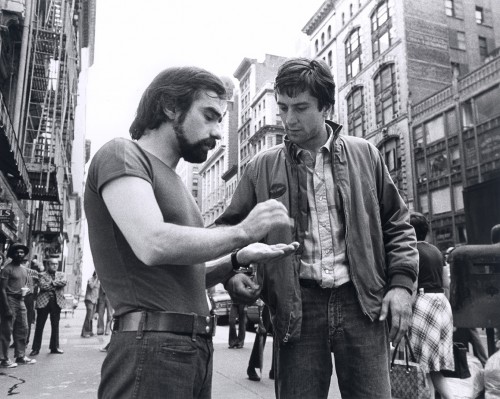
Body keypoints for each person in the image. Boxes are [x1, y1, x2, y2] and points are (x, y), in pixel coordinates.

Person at [84, 66, 298, 399]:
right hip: (150, 347)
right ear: (171, 106)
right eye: (209, 116)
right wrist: (245, 231)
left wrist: (235, 261)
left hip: (191, 348)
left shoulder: (179, 187)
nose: (216, 132)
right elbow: (152, 243)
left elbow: (183, 275)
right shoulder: (122, 154)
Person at [215, 57, 418, 398]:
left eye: (300, 107)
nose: (288, 119)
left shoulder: (366, 154)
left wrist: (401, 286)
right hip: (298, 308)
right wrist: (232, 273)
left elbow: (397, 224)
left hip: (362, 302)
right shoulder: (261, 167)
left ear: (325, 106)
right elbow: (227, 231)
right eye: (282, 108)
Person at [408, 212, 454, 399]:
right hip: (442, 304)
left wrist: (405, 312)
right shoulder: (436, 251)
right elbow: (446, 283)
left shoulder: (411, 251)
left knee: (424, 365)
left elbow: (412, 284)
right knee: (433, 366)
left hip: (422, 303)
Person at [0, 243, 36, 367]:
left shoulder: (23, 269)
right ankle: (3, 359)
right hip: (9, 299)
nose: (20, 254)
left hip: (21, 300)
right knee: (6, 330)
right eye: (17, 252)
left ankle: (20, 356)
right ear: (12, 254)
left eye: (22, 252)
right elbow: (2, 289)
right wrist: (6, 307)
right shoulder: (7, 269)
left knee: (23, 328)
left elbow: (24, 284)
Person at [30, 258, 66, 356]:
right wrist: (55, 284)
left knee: (55, 326)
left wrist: (50, 283)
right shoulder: (41, 274)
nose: (55, 266)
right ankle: (35, 349)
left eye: (56, 264)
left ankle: (54, 347)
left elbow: (63, 282)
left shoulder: (61, 274)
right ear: (47, 265)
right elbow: (42, 286)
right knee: (39, 326)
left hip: (56, 302)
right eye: (52, 264)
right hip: (43, 303)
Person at [247, 302, 275, 382]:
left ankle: (275, 369)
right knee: (262, 332)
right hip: (266, 300)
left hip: (277, 299)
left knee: (277, 333)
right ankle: (252, 366)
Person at [81, 271, 100, 337]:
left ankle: (90, 331)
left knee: (91, 317)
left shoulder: (99, 282)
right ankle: (85, 332)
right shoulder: (90, 280)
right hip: (89, 300)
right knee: (88, 317)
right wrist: (96, 279)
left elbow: (97, 292)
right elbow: (91, 286)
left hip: (94, 301)